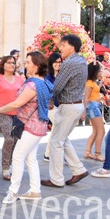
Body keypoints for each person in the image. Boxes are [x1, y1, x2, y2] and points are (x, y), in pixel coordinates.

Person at [0, 51, 53, 203]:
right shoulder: (44, 82)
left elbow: (17, 103)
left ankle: (13, 192)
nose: (25, 65)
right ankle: (35, 190)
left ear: (36, 66)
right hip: (39, 125)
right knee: (31, 158)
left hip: (31, 125)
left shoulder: (32, 84)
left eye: (28, 62)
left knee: (18, 156)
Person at [41, 34, 89, 188]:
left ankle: (56, 179)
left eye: (63, 45)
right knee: (62, 139)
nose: (60, 49)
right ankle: (78, 169)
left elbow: (57, 86)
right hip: (75, 105)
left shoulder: (69, 63)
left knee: (56, 142)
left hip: (67, 106)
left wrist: (48, 99)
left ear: (72, 47)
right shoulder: (81, 60)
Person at [0, 54, 25, 180]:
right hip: (2, 111)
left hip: (18, 112)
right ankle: (5, 167)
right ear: (3, 65)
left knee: (16, 139)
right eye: (9, 62)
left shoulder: (19, 79)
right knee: (9, 138)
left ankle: (11, 164)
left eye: (13, 63)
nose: (12, 65)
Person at [83, 62, 106, 162]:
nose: (101, 72)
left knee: (96, 131)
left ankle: (88, 152)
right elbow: (86, 98)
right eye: (100, 70)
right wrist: (83, 112)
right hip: (93, 106)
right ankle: (97, 153)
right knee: (101, 130)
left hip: (94, 105)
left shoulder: (92, 82)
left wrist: (100, 83)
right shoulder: (89, 83)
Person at [43, 52, 62, 161]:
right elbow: (45, 90)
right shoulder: (47, 76)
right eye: (55, 62)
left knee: (56, 129)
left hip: (61, 105)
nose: (58, 64)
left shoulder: (62, 75)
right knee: (60, 126)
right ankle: (64, 154)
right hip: (50, 105)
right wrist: (49, 100)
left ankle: (48, 154)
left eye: (59, 62)